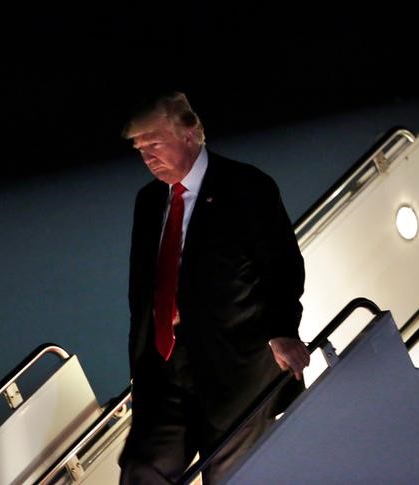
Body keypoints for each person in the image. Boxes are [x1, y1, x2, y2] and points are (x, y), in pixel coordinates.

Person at [119, 92, 309, 484]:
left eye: (153, 144)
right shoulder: (148, 201)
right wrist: (139, 367)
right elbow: (142, 294)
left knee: (231, 475)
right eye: (139, 149)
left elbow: (282, 266)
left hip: (235, 365)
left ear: (190, 133)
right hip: (165, 364)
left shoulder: (247, 187)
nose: (146, 157)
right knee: (142, 470)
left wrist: (283, 330)